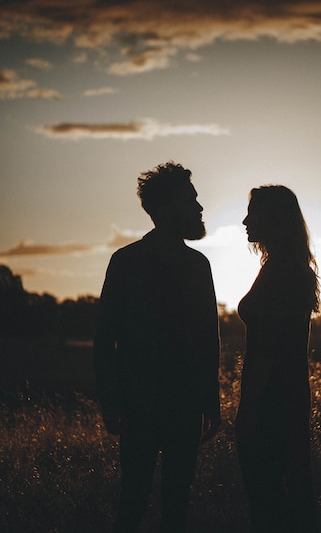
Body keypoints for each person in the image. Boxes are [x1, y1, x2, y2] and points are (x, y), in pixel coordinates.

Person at [94, 161, 221, 533]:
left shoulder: (200, 266)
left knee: (177, 503)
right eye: (190, 200)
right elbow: (105, 339)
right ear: (165, 209)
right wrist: (112, 403)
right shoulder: (126, 262)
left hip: (185, 406)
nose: (199, 208)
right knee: (132, 499)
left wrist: (209, 400)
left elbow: (207, 338)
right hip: (138, 406)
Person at [235, 185, 319, 533]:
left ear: (273, 219)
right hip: (288, 399)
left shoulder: (281, 272)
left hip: (271, 403)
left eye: (252, 213)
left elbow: (269, 349)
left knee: (268, 507)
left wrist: (249, 409)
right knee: (283, 502)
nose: (244, 220)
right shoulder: (289, 267)